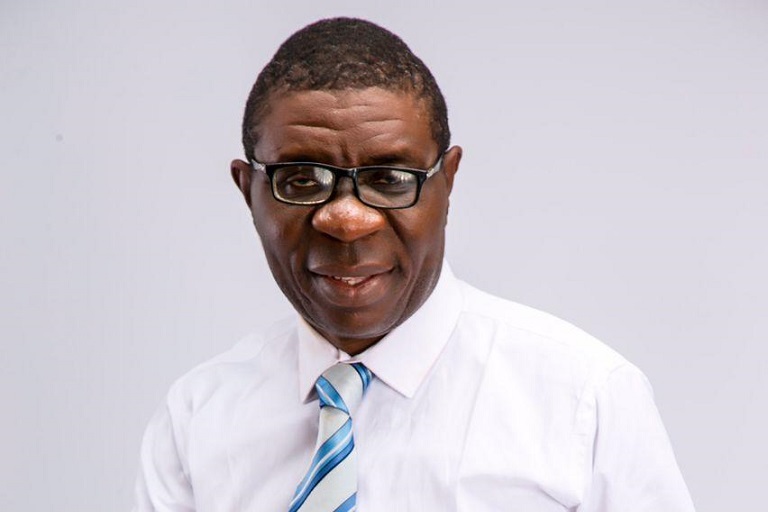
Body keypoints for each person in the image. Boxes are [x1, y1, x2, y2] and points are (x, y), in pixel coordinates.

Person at [133, 17, 695, 512]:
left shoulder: (585, 400)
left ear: (447, 184)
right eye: (301, 180)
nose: (347, 220)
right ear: (247, 190)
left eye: (390, 179)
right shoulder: (197, 418)